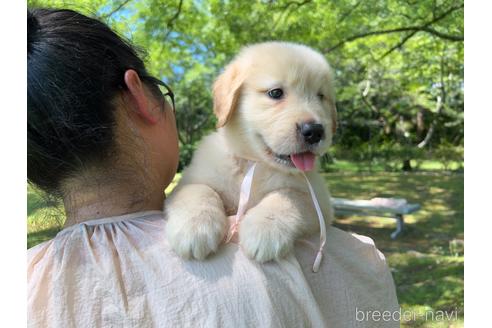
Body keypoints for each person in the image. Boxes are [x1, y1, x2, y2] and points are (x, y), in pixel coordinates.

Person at [27, 8, 400, 328]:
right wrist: (201, 201)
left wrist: (280, 210)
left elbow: (313, 201)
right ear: (139, 95)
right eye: (275, 94)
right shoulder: (351, 262)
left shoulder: (27, 285)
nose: (313, 118)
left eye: (321, 98)